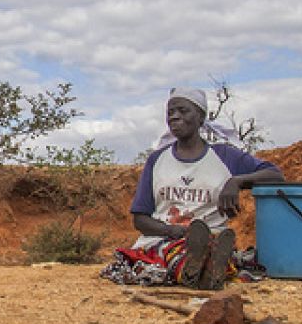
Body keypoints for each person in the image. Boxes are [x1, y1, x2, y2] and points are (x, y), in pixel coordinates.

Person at [112, 87, 283, 289]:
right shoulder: (157, 160)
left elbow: (275, 175)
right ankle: (204, 270)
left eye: (183, 111)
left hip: (212, 237)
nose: (175, 117)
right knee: (172, 254)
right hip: (165, 239)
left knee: (210, 246)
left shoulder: (225, 156)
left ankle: (206, 264)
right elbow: (140, 219)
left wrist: (236, 182)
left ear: (201, 117)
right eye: (170, 113)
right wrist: (173, 231)